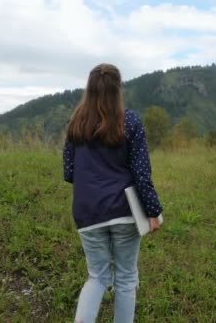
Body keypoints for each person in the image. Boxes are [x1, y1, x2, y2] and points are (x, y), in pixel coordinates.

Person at [63, 63, 163, 322]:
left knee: (96, 277)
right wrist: (153, 212)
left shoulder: (75, 124)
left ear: (90, 89)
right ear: (118, 89)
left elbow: (69, 172)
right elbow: (142, 173)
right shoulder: (130, 121)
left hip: (87, 213)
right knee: (127, 277)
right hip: (124, 211)